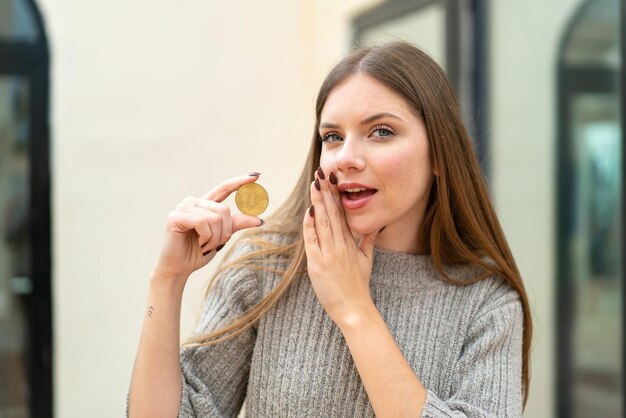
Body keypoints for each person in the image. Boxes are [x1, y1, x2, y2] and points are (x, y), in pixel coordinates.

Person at [127, 41, 532, 417]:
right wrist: (166, 281)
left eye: (382, 131)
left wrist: (354, 308)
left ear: (440, 154)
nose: (345, 158)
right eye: (333, 136)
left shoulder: (488, 305)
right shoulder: (267, 269)